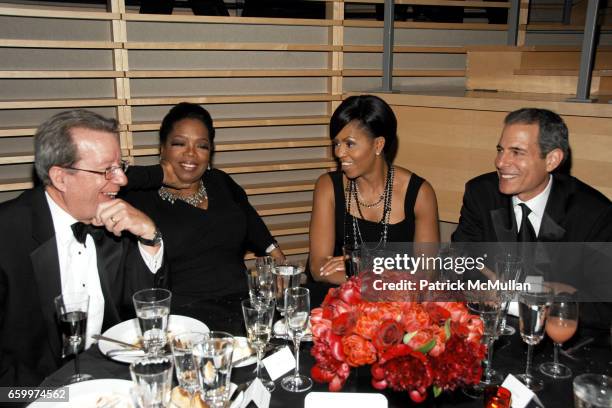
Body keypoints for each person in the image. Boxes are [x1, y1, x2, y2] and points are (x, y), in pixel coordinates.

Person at [0, 110, 167, 387]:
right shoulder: (7, 235)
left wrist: (150, 236)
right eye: (106, 170)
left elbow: (146, 311)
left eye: (120, 166)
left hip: (115, 384)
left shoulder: (116, 221)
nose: (123, 180)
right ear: (61, 178)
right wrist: (56, 398)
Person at [452, 107, 612, 329]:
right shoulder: (481, 194)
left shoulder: (593, 213)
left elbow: (603, 304)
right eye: (501, 150)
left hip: (559, 347)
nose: (500, 162)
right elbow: (461, 262)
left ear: (552, 160)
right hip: (488, 329)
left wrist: (520, 295)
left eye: (517, 152)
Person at [123, 102, 284, 310]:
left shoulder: (220, 182)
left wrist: (279, 260)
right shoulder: (139, 197)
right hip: (182, 317)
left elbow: (254, 226)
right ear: (162, 148)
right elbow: (105, 177)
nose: (191, 154)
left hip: (243, 307)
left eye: (202, 145)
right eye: (179, 144)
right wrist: (158, 175)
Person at [309, 95, 440, 285]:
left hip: (396, 304)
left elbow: (428, 275)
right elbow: (318, 268)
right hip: (338, 299)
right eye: (336, 143)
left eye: (349, 144)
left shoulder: (419, 193)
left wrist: (363, 267)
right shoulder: (328, 187)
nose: (339, 152)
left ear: (378, 144)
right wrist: (383, 277)